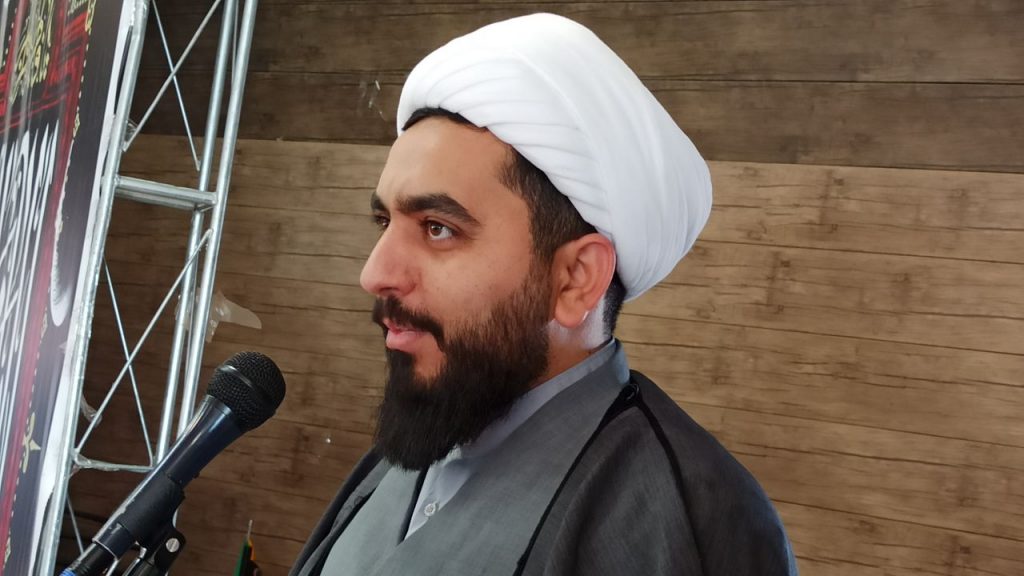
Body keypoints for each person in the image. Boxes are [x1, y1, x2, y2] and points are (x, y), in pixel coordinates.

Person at [291, 13, 797, 576]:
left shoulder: (690, 524)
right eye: (384, 222)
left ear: (575, 278)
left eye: (438, 228)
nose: (374, 273)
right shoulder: (426, 433)